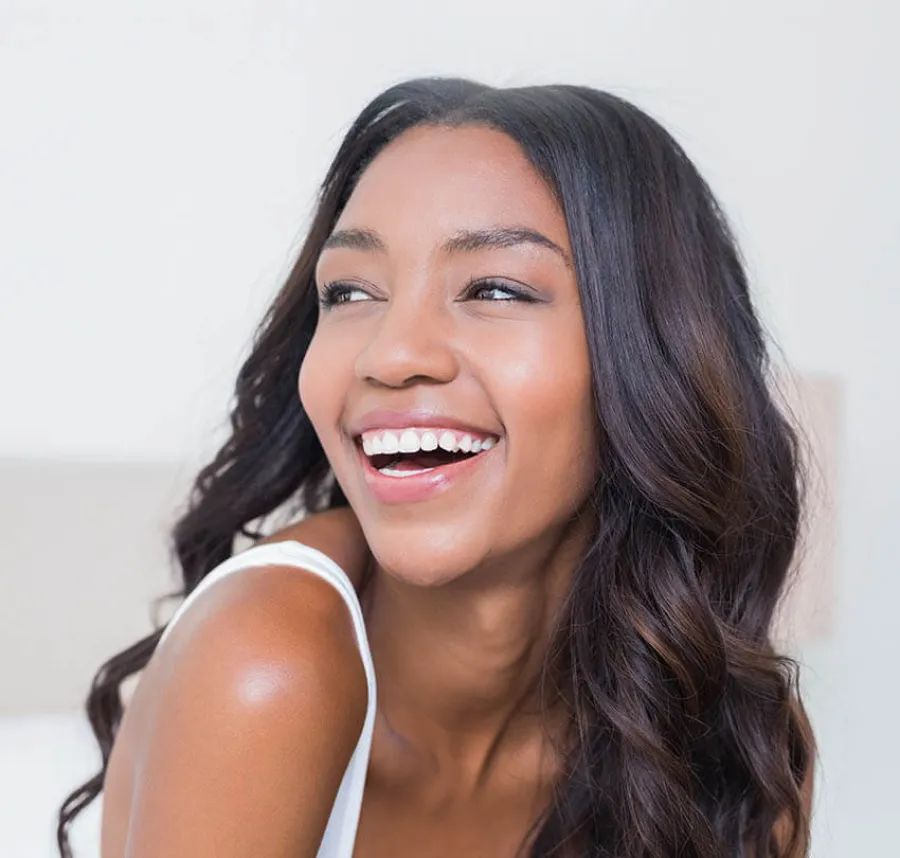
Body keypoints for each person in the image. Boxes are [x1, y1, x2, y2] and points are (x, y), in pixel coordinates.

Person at [57, 77, 816, 858]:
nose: (391, 354)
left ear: (655, 355)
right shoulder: (267, 663)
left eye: (493, 288)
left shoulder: (728, 736)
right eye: (350, 291)